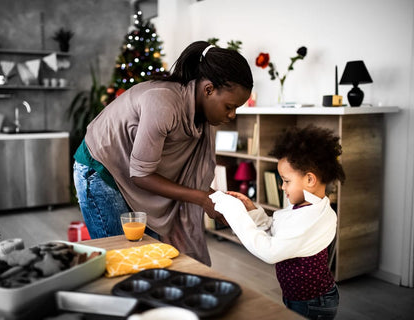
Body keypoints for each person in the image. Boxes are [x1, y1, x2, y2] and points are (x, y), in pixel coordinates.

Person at [73, 40, 253, 265]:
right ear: (208, 89)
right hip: (101, 170)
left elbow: (188, 177)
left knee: (152, 257)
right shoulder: (163, 103)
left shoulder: (202, 119)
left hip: (134, 173)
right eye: (229, 106)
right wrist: (202, 198)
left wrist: (215, 199)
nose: (232, 115)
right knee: (124, 259)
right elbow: (141, 175)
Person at [210, 125, 346, 319]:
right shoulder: (306, 207)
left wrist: (234, 212)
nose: (282, 187)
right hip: (299, 296)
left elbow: (269, 251)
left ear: (309, 179)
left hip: (313, 302)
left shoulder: (312, 218)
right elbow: (277, 229)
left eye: (286, 180)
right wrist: (252, 211)